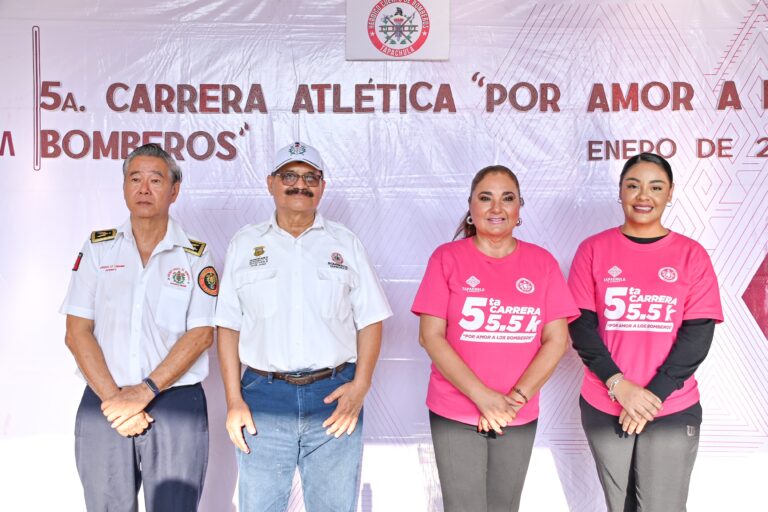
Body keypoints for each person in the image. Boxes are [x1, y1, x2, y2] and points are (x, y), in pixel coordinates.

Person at [215, 141, 392, 512]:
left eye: (310, 177)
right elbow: (228, 326)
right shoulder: (245, 244)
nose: (300, 185)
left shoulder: (345, 244)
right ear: (271, 183)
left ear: (322, 186)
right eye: (290, 176)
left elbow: (371, 318)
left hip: (333, 395)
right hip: (262, 395)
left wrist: (360, 386)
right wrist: (234, 399)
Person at [411, 165, 579, 512]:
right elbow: (431, 336)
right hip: (455, 410)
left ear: (519, 209)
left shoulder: (542, 263)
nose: (496, 208)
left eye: (507, 199)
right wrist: (483, 398)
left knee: (505, 507)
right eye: (485, 198)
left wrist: (511, 401)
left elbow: (557, 340)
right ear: (470, 207)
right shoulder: (447, 258)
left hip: (517, 412)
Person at [60, 143, 217, 511]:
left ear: (174, 190)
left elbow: (201, 336)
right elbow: (76, 331)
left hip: (175, 401)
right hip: (103, 401)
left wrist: (143, 392)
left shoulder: (196, 255)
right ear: (124, 187)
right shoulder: (98, 249)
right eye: (135, 179)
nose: (144, 189)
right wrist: (116, 400)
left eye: (155, 180)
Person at [568, 152, 724, 512]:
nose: (643, 196)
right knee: (619, 506)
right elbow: (581, 327)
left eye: (656, 187)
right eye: (633, 186)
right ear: (620, 192)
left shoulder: (691, 255)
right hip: (604, 402)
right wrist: (619, 385)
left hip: (671, 406)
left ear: (670, 194)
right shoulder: (593, 250)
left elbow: (697, 335)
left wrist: (650, 396)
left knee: (662, 506)